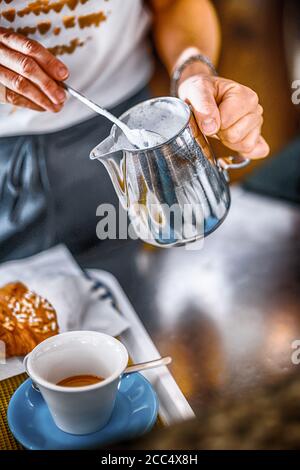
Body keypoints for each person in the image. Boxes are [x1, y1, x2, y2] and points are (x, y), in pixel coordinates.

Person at [0, 0, 269, 261]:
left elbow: (174, 4)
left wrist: (193, 73)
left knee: (118, 281)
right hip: (5, 150)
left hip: (127, 125)